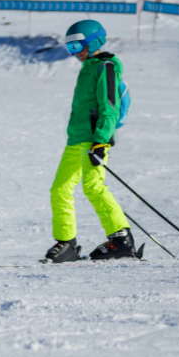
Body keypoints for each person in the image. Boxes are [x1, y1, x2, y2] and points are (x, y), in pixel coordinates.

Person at [45, 20, 137, 263]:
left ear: (93, 42)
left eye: (77, 46)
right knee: (60, 189)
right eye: (70, 48)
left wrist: (100, 141)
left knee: (92, 186)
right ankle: (67, 244)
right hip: (76, 139)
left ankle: (121, 240)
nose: (75, 53)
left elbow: (109, 106)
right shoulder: (88, 67)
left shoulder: (106, 66)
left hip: (94, 139)